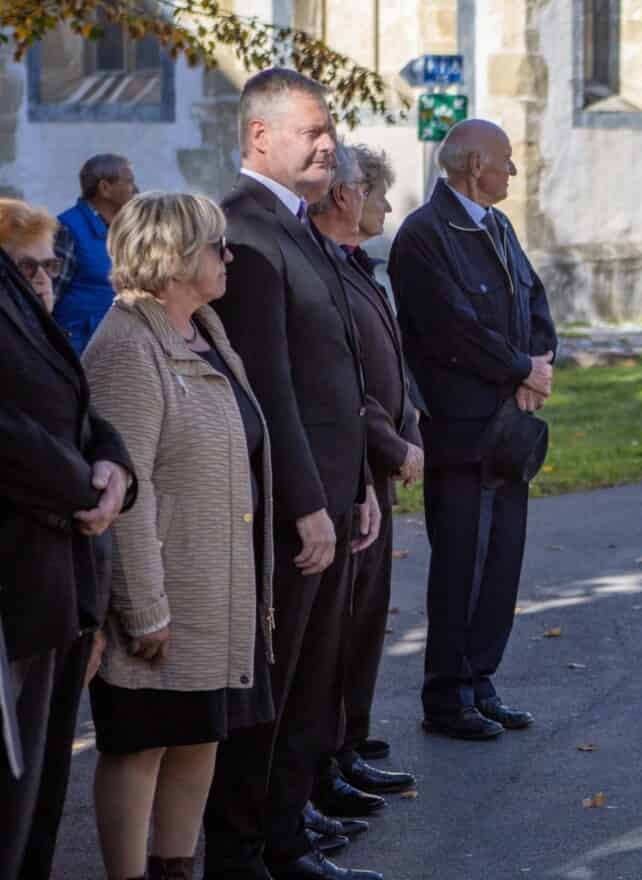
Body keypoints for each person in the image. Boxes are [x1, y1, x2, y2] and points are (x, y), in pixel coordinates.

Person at [204, 68, 381, 880]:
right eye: (312, 131)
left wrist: (361, 484)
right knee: (273, 690)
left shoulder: (299, 226)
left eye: (330, 130)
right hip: (289, 506)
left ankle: (287, 837)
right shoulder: (245, 230)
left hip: (335, 494)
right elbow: (269, 386)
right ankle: (244, 853)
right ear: (260, 137)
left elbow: (335, 371)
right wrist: (308, 501)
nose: (328, 145)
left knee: (312, 683)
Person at [82, 193, 275, 880]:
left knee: (199, 737)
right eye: (217, 246)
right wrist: (144, 609)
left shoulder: (205, 331)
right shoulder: (128, 347)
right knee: (141, 746)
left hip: (217, 589)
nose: (229, 256)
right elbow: (127, 492)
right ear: (173, 256)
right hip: (163, 596)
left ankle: (173, 869)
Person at [388, 119, 556, 741]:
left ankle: (481, 681)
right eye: (505, 159)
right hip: (460, 430)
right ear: (475, 164)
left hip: (508, 426)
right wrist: (519, 368)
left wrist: (539, 366)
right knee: (462, 563)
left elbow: (535, 303)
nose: (513, 170)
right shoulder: (424, 235)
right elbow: (451, 329)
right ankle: (446, 696)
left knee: (502, 561)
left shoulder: (498, 226)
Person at [0, 199, 134, 880]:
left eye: (49, 269)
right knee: (12, 788)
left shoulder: (36, 320)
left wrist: (114, 465)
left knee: (42, 784)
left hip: (61, 581)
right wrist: (86, 484)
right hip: (19, 580)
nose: (42, 281)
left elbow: (79, 412)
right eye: (27, 269)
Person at [310, 146, 420, 802]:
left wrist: (411, 431)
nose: (385, 207)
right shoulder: (327, 267)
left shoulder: (359, 267)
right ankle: (328, 756)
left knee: (366, 616)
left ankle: (350, 741)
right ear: (348, 195)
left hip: (373, 466)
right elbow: (346, 383)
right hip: (351, 461)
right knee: (342, 621)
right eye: (379, 195)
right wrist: (391, 442)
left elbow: (392, 367)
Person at [53, 154, 138, 355]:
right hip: (79, 354)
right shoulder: (67, 229)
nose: (135, 189)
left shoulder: (124, 230)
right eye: (129, 181)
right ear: (105, 188)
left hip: (116, 349)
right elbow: (48, 296)